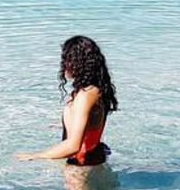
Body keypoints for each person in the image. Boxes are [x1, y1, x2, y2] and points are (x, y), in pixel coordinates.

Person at [16, 35, 118, 166]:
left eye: (67, 60)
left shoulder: (85, 96)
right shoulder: (95, 89)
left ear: (79, 62)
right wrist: (66, 123)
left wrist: (36, 155)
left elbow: (73, 146)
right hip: (94, 156)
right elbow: (92, 123)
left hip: (81, 165)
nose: (63, 65)